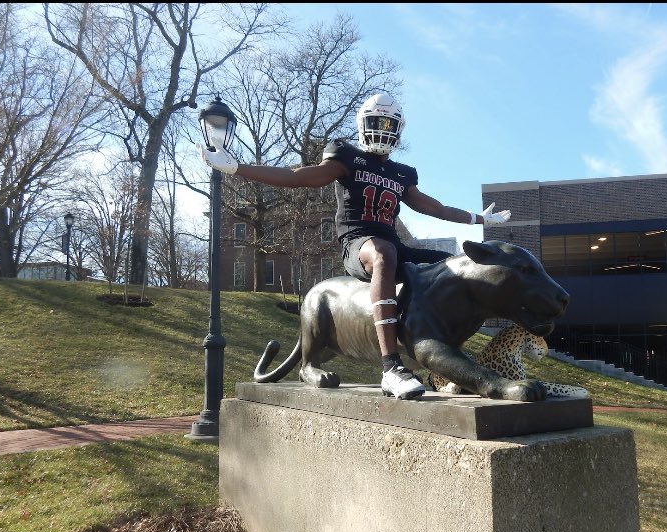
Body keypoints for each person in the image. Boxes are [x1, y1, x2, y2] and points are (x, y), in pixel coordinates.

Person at [198, 93, 511, 400]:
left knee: (451, 265)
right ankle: (391, 367)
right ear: (364, 124)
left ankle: (443, 355)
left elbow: (435, 207)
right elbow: (299, 177)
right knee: (383, 252)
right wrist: (238, 168)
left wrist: (478, 219)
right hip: (358, 245)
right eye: (378, 121)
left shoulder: (401, 173)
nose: (384, 129)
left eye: (389, 123)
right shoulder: (347, 156)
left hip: (391, 246)